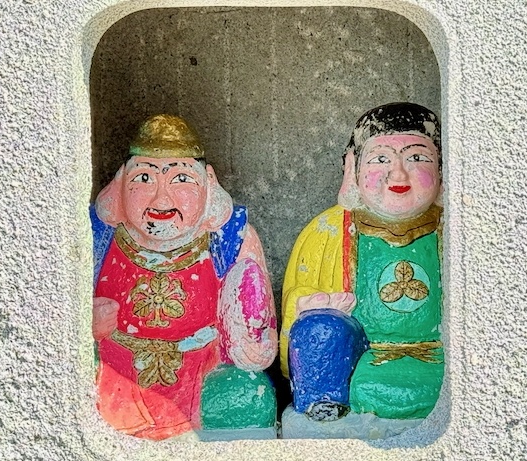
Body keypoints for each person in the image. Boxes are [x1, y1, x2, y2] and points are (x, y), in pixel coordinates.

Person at [91, 114, 277, 440]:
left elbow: (260, 335)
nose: (162, 200)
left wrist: (249, 338)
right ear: (120, 182)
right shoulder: (96, 238)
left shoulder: (232, 239)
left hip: (203, 371)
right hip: (117, 373)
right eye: (144, 178)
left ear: (208, 182)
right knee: (82, 391)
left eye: (181, 179)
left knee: (250, 395)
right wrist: (87, 324)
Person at [281, 103, 444, 426]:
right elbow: (295, 312)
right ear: (352, 168)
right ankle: (325, 409)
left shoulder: (457, 230)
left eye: (417, 158)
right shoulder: (328, 230)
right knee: (318, 326)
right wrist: (310, 305)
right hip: (360, 356)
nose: (398, 175)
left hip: (439, 356)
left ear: (443, 166)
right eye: (380, 159)